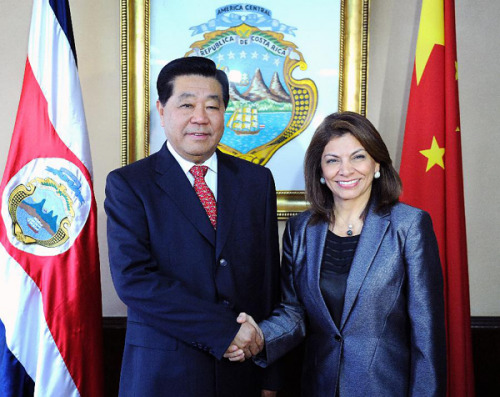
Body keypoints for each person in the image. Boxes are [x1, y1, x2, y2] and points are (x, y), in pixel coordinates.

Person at [226, 111, 447, 396]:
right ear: (320, 170)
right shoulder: (301, 229)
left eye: (358, 157)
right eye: (333, 160)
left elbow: (426, 332)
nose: (346, 170)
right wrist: (259, 335)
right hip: (318, 386)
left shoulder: (409, 225)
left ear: (377, 163)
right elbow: (295, 313)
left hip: (385, 388)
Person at [105, 56, 282, 397]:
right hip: (164, 375)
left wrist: (271, 375)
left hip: (242, 372)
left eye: (212, 106)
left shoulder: (256, 181)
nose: (200, 118)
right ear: (161, 109)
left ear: (224, 113)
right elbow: (134, 280)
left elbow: (267, 282)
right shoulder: (130, 184)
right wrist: (224, 331)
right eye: (187, 104)